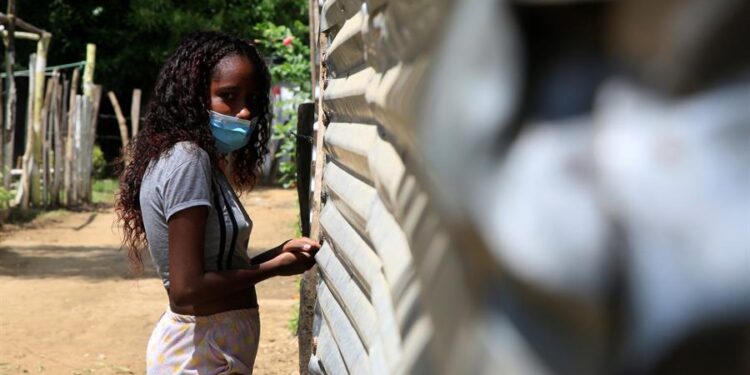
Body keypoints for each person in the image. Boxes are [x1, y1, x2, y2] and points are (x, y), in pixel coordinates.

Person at [115, 31, 319, 374]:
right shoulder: (188, 160)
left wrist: (277, 252)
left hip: (211, 345)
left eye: (252, 99)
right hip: (198, 351)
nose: (244, 112)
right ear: (194, 97)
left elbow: (213, 267)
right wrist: (273, 269)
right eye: (228, 96)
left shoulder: (201, 160)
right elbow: (187, 290)